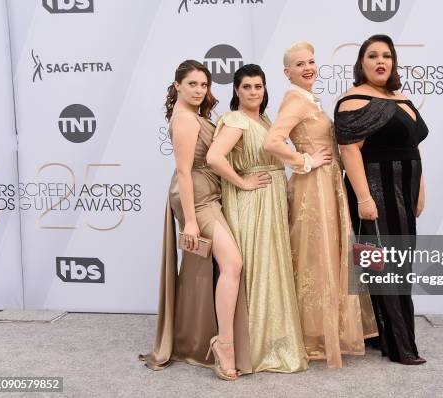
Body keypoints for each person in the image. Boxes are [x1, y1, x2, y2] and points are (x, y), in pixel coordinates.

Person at [263, 42, 378, 369]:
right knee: (315, 256)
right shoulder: (294, 99)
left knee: (328, 256)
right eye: (300, 64)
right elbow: (272, 142)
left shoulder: (309, 99)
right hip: (312, 189)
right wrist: (305, 161)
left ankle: (324, 332)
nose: (308, 67)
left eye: (311, 61)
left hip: (327, 187)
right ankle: (309, 336)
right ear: (288, 73)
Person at [140, 60, 252, 380]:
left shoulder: (195, 115)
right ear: (177, 86)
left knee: (211, 268)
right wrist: (190, 221)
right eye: (192, 84)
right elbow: (185, 172)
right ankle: (224, 345)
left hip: (206, 194)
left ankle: (199, 335)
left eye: (204, 85)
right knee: (232, 263)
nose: (200, 90)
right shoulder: (186, 120)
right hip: (197, 199)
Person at [206, 64, 308, 373]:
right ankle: (249, 347)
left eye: (258, 87)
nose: (253, 92)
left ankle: (268, 342)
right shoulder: (237, 119)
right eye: (247, 87)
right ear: (236, 90)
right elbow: (214, 157)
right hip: (252, 204)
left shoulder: (263, 119)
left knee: (271, 268)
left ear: (265, 90)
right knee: (257, 270)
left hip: (271, 201)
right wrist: (242, 182)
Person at [334, 34, 428, 365]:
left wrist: (420, 189)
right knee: (387, 267)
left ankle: (381, 335)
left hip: (403, 191)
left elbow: (412, 148)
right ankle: (401, 345)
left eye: (386, 55)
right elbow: (349, 151)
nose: (380, 61)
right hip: (377, 190)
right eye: (372, 55)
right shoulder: (353, 100)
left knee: (393, 265)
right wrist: (363, 197)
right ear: (361, 63)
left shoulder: (399, 96)